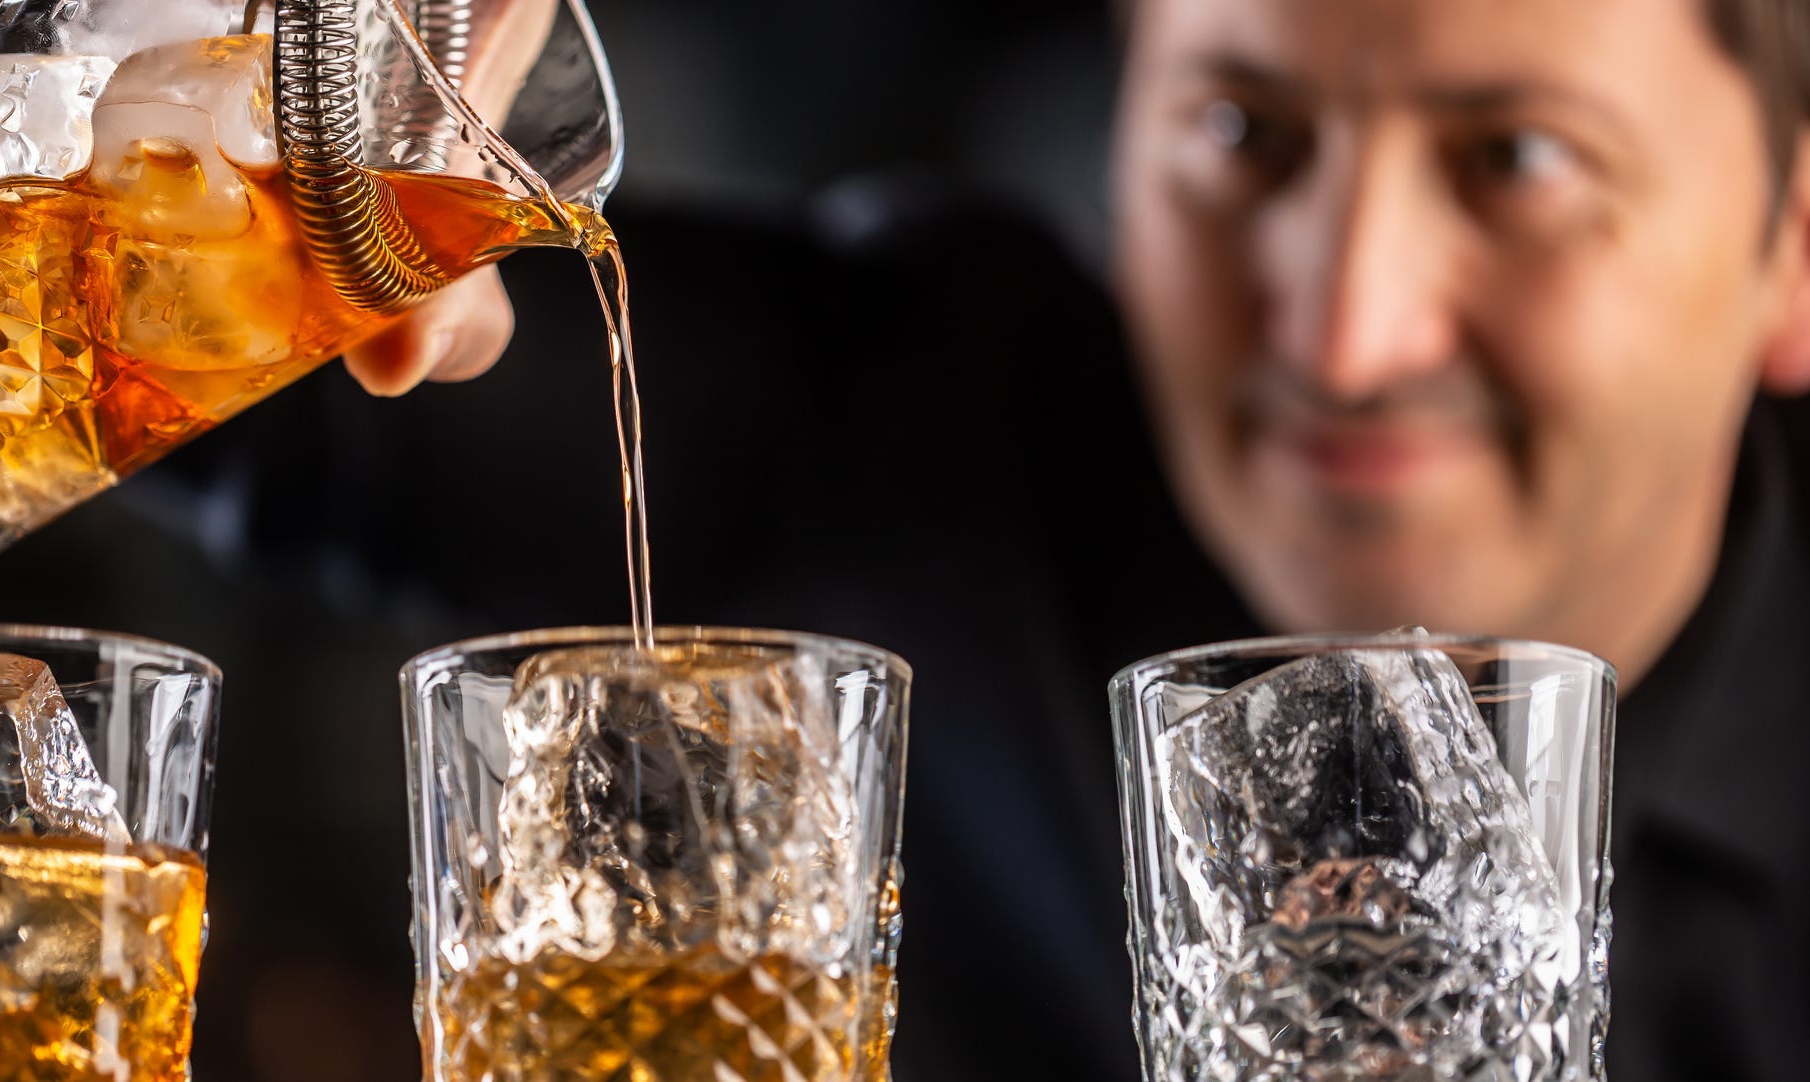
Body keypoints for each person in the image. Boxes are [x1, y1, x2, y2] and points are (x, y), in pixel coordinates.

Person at [323, 0, 1810, 1076]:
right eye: (1239, 130)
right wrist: (241, 101)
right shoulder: (907, 418)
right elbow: (176, 344)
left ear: (1792, 231)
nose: (1349, 331)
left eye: (1519, 160)